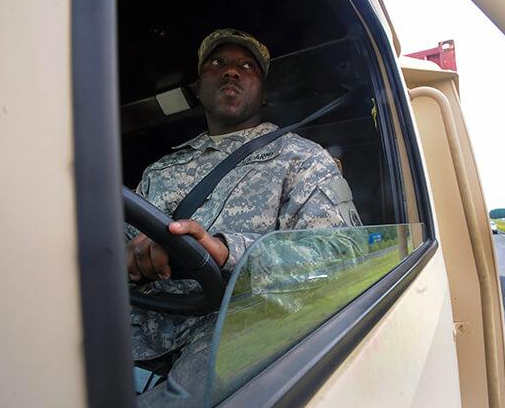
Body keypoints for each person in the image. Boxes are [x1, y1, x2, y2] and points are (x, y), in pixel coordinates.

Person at [127, 28, 363, 372]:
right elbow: (112, 246)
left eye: (248, 66)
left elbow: (342, 255)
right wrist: (126, 257)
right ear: (198, 88)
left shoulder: (302, 159)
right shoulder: (160, 170)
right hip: (140, 335)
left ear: (263, 93)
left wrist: (225, 252)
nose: (232, 71)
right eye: (218, 62)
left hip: (242, 336)